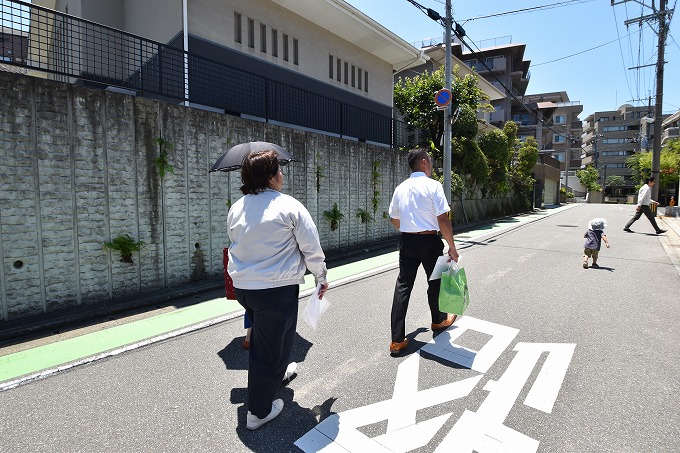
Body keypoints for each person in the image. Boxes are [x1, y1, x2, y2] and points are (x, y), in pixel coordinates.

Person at [227, 149, 329, 431]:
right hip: (276, 289)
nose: (282, 175)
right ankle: (258, 413)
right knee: (269, 346)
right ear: (271, 177)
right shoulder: (288, 206)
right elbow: (311, 247)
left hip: (245, 288)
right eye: (279, 171)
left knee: (276, 338)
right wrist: (320, 276)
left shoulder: (237, 207)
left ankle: (278, 373)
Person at [388, 148, 460, 355]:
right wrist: (452, 247)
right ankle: (438, 321)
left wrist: (408, 229)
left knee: (403, 286)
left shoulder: (400, 188)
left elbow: (393, 217)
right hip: (430, 241)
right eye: (429, 161)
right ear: (423, 162)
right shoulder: (433, 185)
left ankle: (397, 340)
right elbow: (443, 218)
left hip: (407, 242)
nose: (431, 165)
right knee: (435, 282)